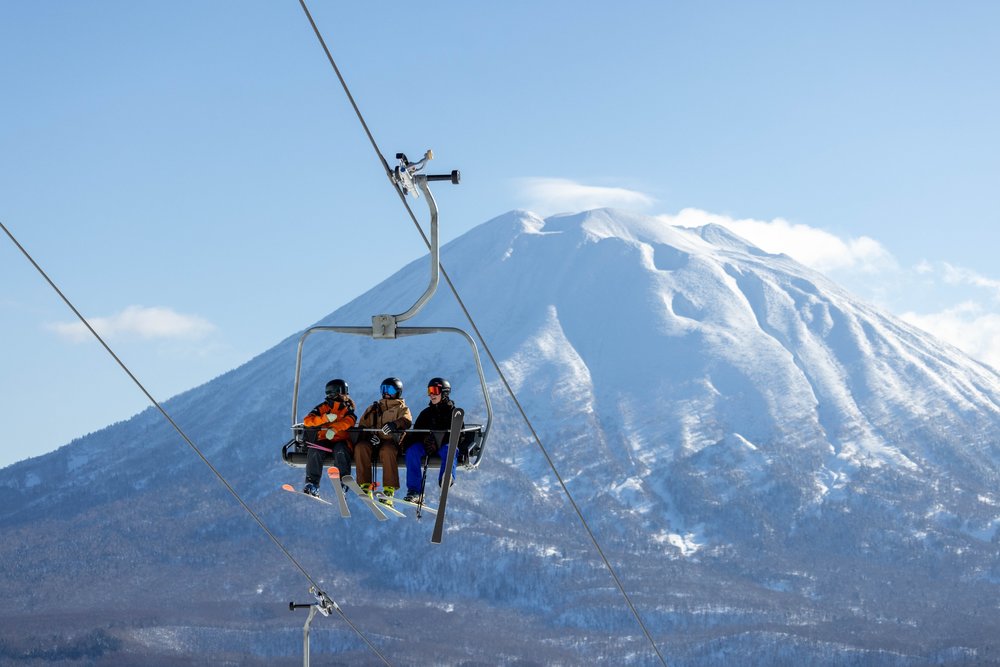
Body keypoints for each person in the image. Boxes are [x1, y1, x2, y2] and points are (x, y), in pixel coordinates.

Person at [354, 377, 412, 506]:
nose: (386, 392)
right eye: (384, 389)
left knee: (387, 450)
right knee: (361, 447)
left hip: (390, 442)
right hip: (374, 441)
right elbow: (362, 426)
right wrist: (368, 436)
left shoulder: (401, 408)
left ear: (398, 391)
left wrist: (395, 424)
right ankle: (365, 485)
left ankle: (389, 491)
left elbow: (407, 421)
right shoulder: (373, 409)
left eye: (390, 389)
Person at [403, 377, 459, 503]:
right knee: (412, 451)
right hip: (426, 447)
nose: (431, 395)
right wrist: (425, 440)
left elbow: (459, 437)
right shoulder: (426, 413)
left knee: (450, 450)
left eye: (435, 390)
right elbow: (416, 433)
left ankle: (446, 479)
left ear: (444, 393)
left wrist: (440, 441)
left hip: (444, 446)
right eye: (429, 391)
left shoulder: (453, 414)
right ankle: (415, 491)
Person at [301, 378, 356, 497]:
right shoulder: (323, 408)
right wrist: (324, 418)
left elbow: (349, 421)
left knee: (341, 451)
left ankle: (344, 481)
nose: (332, 395)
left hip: (341, 440)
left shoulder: (347, 408)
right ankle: (312, 483)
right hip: (324, 440)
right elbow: (307, 421)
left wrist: (334, 428)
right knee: (315, 450)